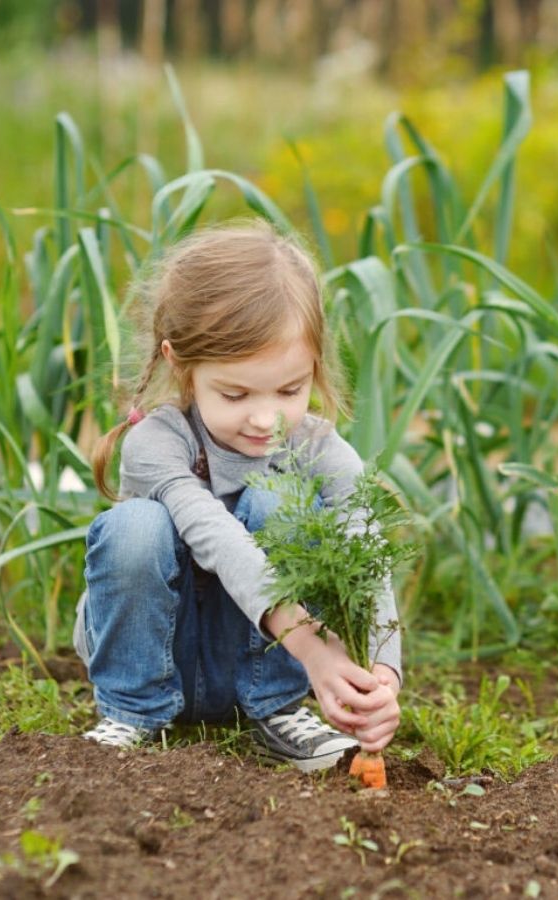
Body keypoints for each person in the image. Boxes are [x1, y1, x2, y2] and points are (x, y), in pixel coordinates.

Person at [73, 221, 401, 773]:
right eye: (235, 392)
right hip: (164, 655)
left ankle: (276, 712)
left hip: (260, 667)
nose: (265, 417)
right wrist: (311, 644)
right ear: (181, 363)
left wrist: (384, 675)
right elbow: (217, 537)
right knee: (136, 527)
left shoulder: (321, 449)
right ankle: (131, 714)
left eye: (290, 390)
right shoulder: (158, 442)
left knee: (284, 504)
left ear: (314, 367)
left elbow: (366, 551)